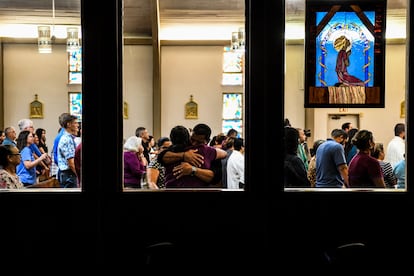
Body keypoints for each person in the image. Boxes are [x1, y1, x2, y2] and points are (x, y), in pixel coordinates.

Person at [57, 114, 79, 188]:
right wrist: (79, 176)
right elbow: (71, 163)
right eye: (75, 123)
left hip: (67, 174)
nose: (77, 125)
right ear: (69, 124)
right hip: (68, 174)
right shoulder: (67, 139)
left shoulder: (68, 137)